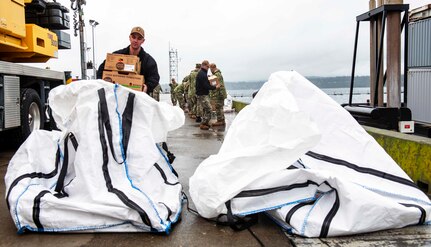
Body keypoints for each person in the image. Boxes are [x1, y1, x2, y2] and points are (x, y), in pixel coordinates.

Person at [97, 26, 160, 95]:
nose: (135, 40)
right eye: (133, 37)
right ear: (129, 38)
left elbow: (154, 77)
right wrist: (102, 83)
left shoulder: (148, 60)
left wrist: (147, 86)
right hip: (116, 95)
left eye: (139, 38)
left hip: (139, 98)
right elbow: (102, 69)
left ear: (143, 41)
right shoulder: (116, 55)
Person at [196, 60, 220, 130]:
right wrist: (215, 87)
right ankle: (204, 124)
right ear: (203, 65)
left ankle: (205, 123)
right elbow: (206, 86)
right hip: (202, 94)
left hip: (202, 94)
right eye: (207, 66)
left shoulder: (202, 73)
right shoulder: (202, 74)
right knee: (209, 109)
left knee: (206, 109)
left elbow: (204, 83)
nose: (208, 68)